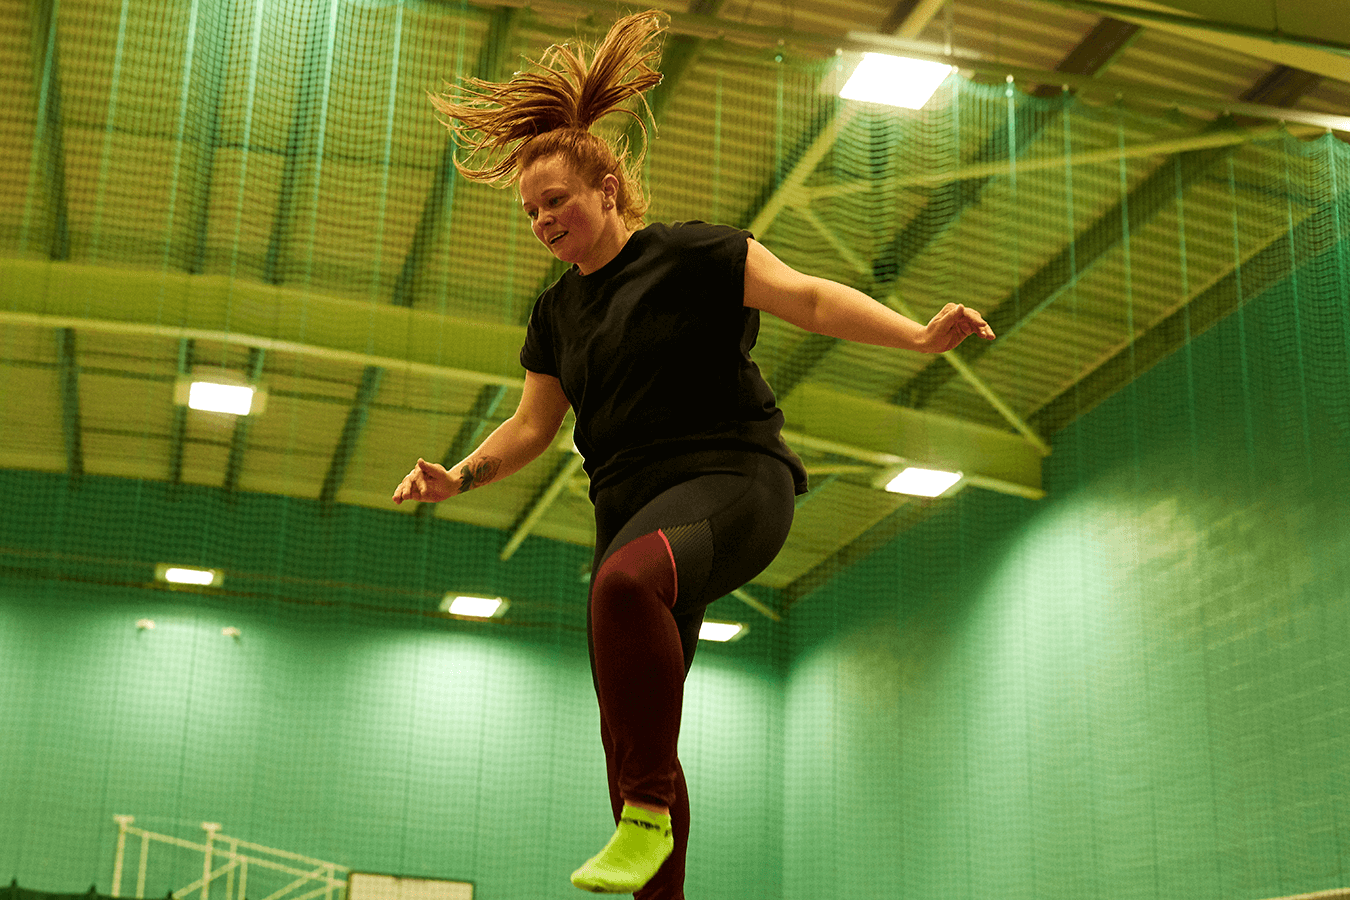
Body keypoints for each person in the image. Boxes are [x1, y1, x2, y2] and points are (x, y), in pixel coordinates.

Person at [390, 10, 994, 897]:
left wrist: (916, 339)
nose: (543, 220)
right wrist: (462, 473)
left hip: (732, 483)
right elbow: (530, 427)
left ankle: (644, 813)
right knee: (632, 730)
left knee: (625, 588)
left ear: (607, 185)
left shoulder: (698, 255)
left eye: (556, 199)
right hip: (630, 510)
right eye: (530, 211)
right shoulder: (555, 316)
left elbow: (813, 301)